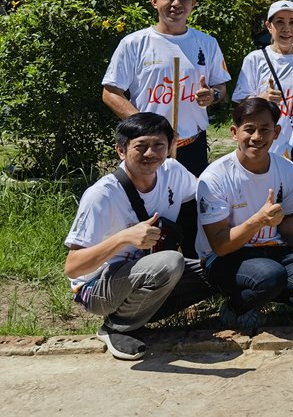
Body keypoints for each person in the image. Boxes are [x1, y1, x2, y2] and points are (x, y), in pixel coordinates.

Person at [102, 0, 231, 257]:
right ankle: (145, 272)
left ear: (193, 4)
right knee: (147, 213)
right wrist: (146, 128)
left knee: (192, 213)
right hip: (148, 148)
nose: (176, 3)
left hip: (191, 145)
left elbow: (221, 87)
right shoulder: (135, 43)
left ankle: (194, 272)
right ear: (154, 1)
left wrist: (212, 95)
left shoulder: (206, 43)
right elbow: (110, 92)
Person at [64, 112, 213, 360]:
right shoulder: (102, 195)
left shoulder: (172, 171)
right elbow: (73, 267)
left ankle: (140, 315)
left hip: (143, 273)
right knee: (170, 262)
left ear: (170, 146)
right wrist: (124, 238)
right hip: (96, 286)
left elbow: (208, 192)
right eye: (141, 146)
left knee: (215, 270)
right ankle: (116, 327)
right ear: (121, 150)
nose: (150, 153)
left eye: (159, 145)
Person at [197, 97, 293, 333]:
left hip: (273, 250)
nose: (257, 137)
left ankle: (265, 291)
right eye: (249, 129)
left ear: (276, 132)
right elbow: (220, 246)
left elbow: (288, 220)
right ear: (234, 133)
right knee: (270, 275)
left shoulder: (288, 169)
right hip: (224, 257)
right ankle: (235, 307)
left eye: (265, 130)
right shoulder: (214, 178)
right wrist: (259, 220)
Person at [232, 1, 293, 161]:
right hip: (267, 144)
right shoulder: (255, 59)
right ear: (269, 26)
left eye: (292, 22)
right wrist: (261, 99)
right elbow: (240, 104)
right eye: (279, 22)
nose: (286, 28)